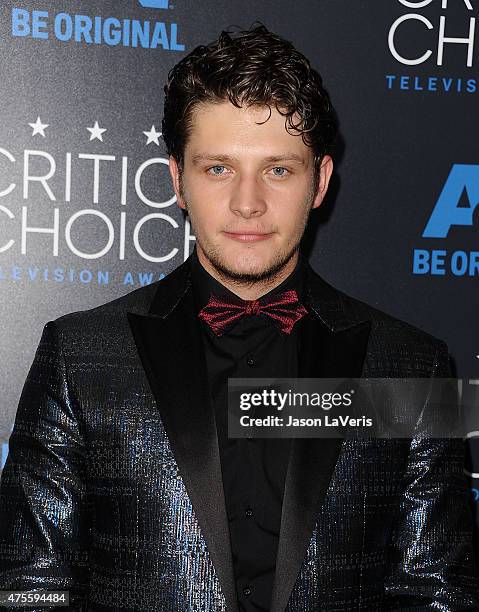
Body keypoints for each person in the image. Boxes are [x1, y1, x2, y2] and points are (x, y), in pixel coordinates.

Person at [0, 23, 477, 612]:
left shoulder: (415, 368)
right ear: (177, 180)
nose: (247, 203)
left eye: (278, 169)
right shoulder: (78, 356)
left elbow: (437, 594)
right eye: (218, 168)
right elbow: (30, 590)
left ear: (320, 181)